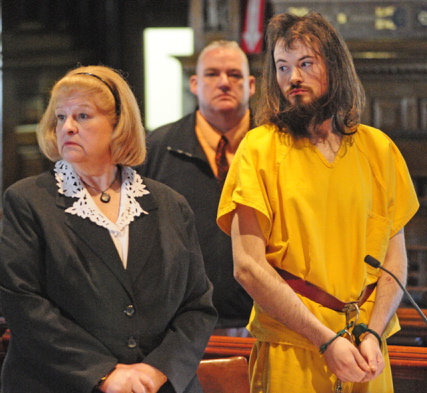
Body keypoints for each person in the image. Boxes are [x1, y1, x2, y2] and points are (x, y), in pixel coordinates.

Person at [217, 12, 419, 393]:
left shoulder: (379, 149)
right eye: (282, 67)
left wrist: (374, 334)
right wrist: (325, 340)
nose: (292, 77)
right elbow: (247, 266)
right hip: (292, 347)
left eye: (305, 64)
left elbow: (395, 262)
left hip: (365, 350)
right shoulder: (259, 149)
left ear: (336, 68)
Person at [0, 65, 217, 393]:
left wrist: (158, 370)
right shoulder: (27, 201)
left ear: (118, 124)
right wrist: (103, 374)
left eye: (83, 116)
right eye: (60, 117)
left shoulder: (170, 204)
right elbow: (23, 303)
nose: (68, 127)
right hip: (59, 384)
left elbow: (197, 304)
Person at [140, 40, 256, 334]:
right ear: (193, 83)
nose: (224, 83)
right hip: (180, 322)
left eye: (234, 74)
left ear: (251, 84)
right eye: (212, 74)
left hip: (267, 318)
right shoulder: (156, 147)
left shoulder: (277, 147)